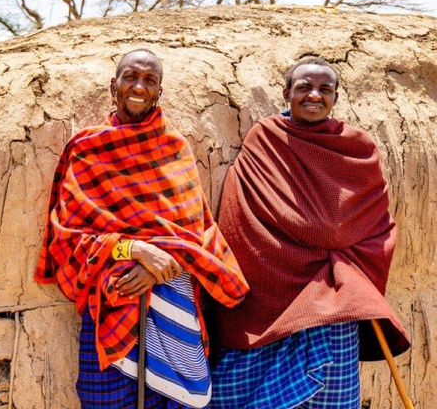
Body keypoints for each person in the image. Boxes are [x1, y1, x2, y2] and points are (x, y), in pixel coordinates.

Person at [35, 49, 249, 409]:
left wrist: (155, 269)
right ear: (113, 86)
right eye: (130, 77)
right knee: (100, 397)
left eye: (149, 81)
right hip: (113, 295)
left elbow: (194, 235)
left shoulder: (174, 148)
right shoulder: (88, 149)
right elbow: (68, 238)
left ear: (159, 92)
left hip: (171, 291)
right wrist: (132, 250)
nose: (139, 86)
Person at [208, 56, 410, 409]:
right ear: (287, 93)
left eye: (324, 89)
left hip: (333, 297)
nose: (314, 95)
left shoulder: (357, 147)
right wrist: (322, 236)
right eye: (304, 87)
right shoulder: (267, 139)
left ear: (335, 98)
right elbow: (241, 219)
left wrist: (337, 249)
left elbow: (376, 222)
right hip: (270, 290)